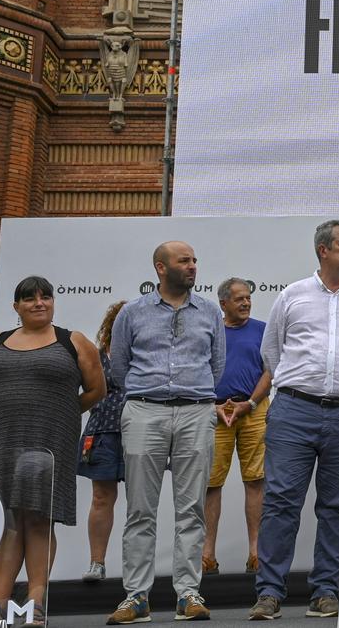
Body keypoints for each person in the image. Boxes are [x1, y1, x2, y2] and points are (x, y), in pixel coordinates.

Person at [249, 220, 339, 620]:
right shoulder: (292, 296)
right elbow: (271, 352)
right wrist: (299, 389)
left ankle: (326, 590)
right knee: (279, 503)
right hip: (294, 410)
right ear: (322, 250)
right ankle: (270, 593)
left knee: (337, 506)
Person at [0, 277, 104, 626]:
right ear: (16, 306)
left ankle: (35, 601)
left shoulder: (72, 341)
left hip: (49, 440)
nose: (39, 303)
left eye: (46, 297)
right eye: (29, 299)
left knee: (37, 517)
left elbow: (96, 389)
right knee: (5, 521)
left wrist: (60, 411)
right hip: (2, 441)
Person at [107, 242, 226, 624]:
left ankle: (188, 593)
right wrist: (148, 397)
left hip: (196, 411)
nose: (193, 266)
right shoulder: (131, 312)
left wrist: (193, 398)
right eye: (184, 261)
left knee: (191, 508)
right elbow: (119, 366)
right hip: (144, 410)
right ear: (161, 267)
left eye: (195, 260)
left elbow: (217, 365)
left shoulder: (209, 311)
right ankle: (136, 597)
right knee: (140, 509)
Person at [202, 279, 271, 576]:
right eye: (239, 299)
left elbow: (272, 369)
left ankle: (256, 552)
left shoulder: (263, 329)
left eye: (248, 298)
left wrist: (251, 403)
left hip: (254, 410)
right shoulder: (209, 331)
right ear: (223, 303)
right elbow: (197, 369)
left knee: (256, 479)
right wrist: (211, 406)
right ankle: (208, 556)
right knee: (210, 483)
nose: (246, 303)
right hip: (214, 411)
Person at [77, 301, 128, 584]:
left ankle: (137, 565)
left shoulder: (147, 354)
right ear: (112, 323)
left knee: (141, 502)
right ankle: (97, 563)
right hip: (102, 431)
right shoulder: (96, 356)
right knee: (101, 497)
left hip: (141, 431)